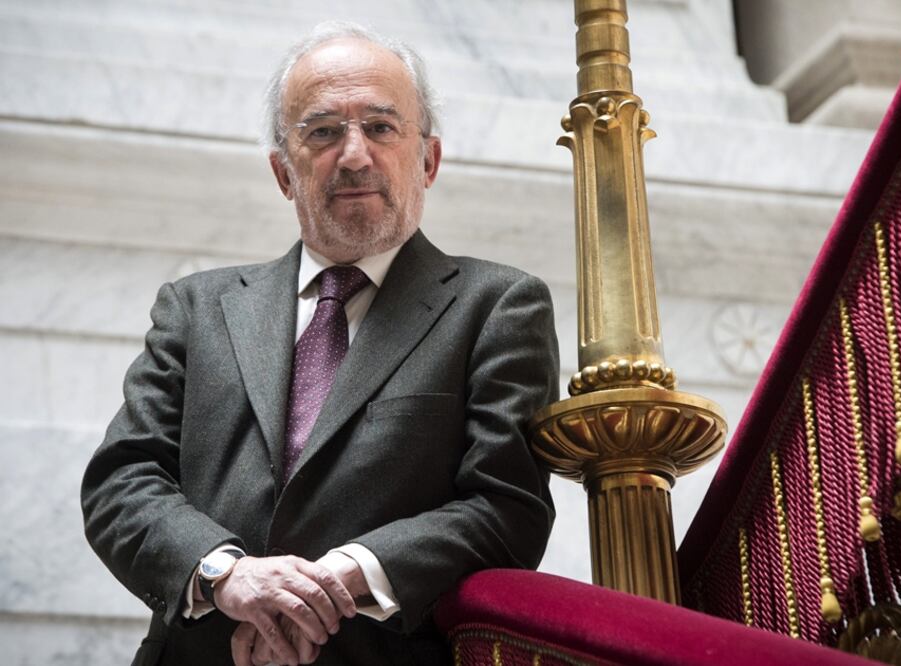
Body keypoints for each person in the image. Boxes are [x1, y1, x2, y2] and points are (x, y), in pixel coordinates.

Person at [81, 21, 559, 666]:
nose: (355, 154)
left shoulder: (497, 306)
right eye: (323, 130)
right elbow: (123, 480)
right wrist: (229, 578)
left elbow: (507, 508)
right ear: (284, 171)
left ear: (429, 160)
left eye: (382, 127)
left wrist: (329, 584)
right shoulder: (196, 308)